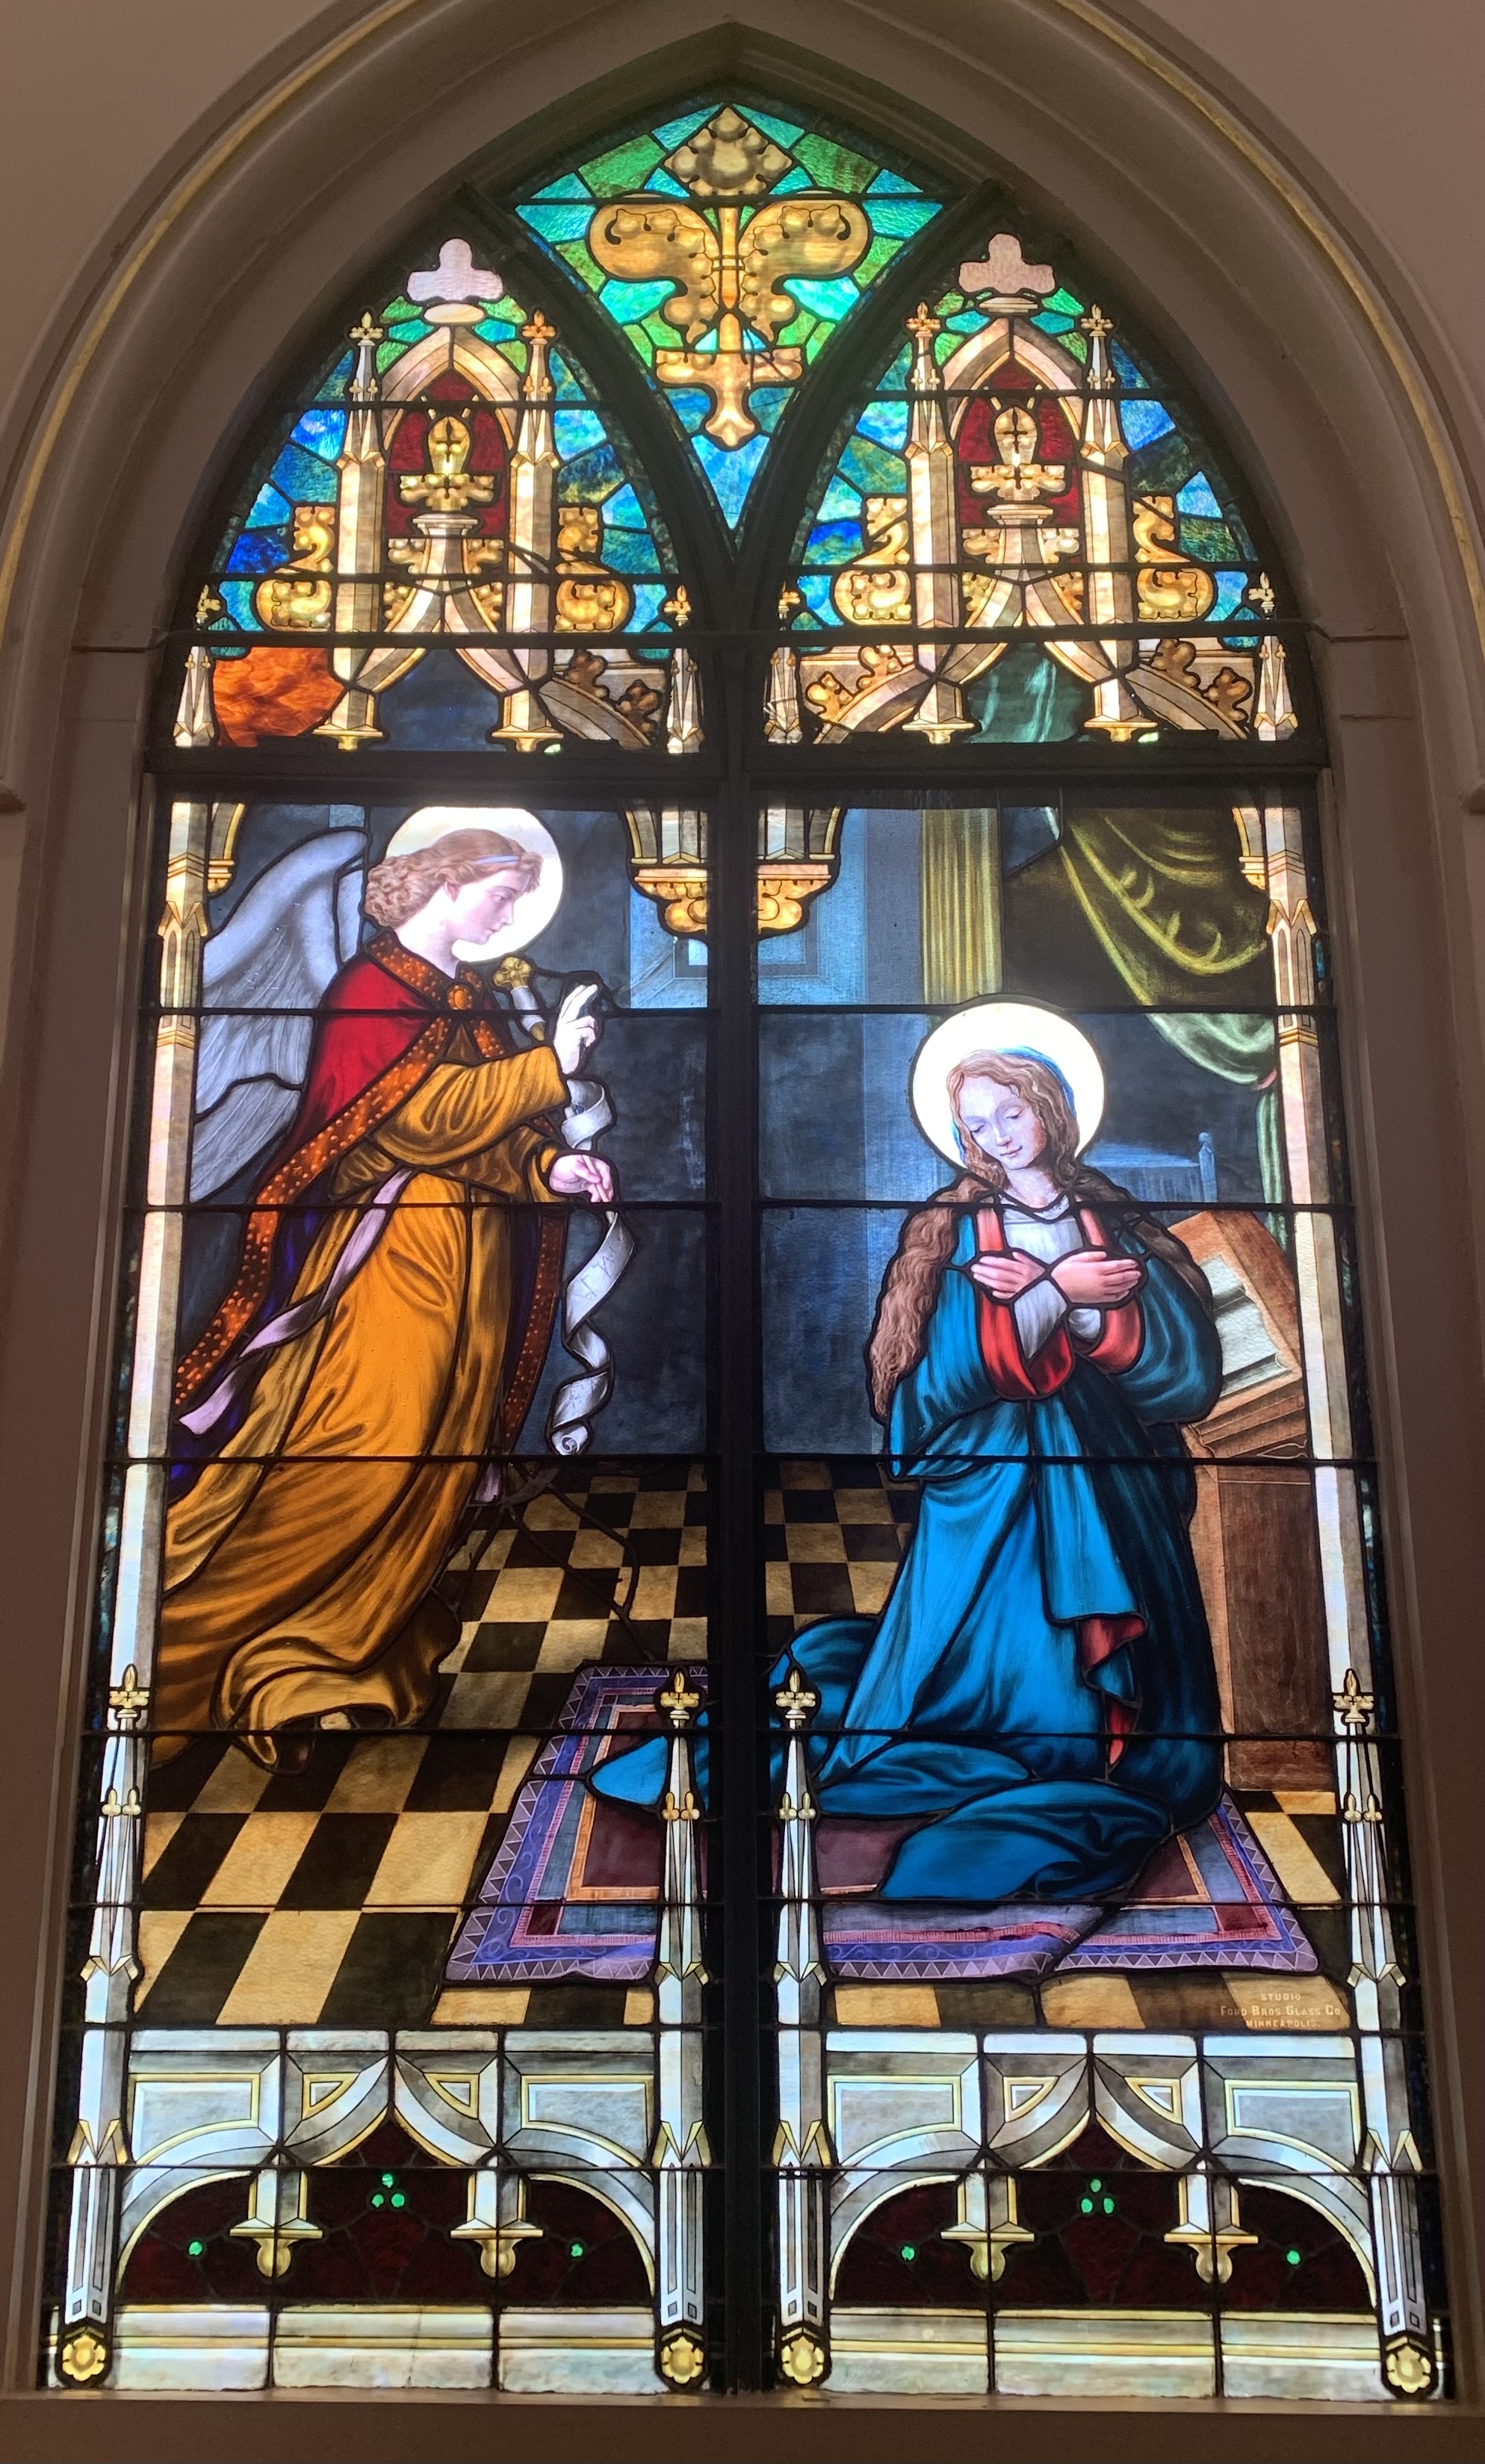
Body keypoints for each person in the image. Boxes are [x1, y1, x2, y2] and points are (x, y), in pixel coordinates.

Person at [595, 1041, 1224, 1906]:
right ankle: (1005, 1732)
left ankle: (1088, 1746)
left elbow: (1183, 1377)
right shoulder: (957, 1232)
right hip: (993, 1486)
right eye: (977, 1124)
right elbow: (935, 1390)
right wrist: (1051, 1295)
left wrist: (1080, 1307)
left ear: (1048, 1104)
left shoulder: (1112, 1222)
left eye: (1011, 1111)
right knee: (982, 1667)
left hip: (1112, 1485)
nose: (998, 1135)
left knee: (1113, 1689)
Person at [153, 826, 612, 1767]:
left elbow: (478, 1136)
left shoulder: (469, 999)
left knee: (434, 1464)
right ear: (443, 882)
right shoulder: (369, 989)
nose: (511, 914)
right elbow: (410, 1123)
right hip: (389, 1269)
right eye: (501, 893)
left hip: (468, 1269)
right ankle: (181, 1658)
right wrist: (547, 1066)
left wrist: (546, 1166)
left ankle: (332, 1660)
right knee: (364, 1453)